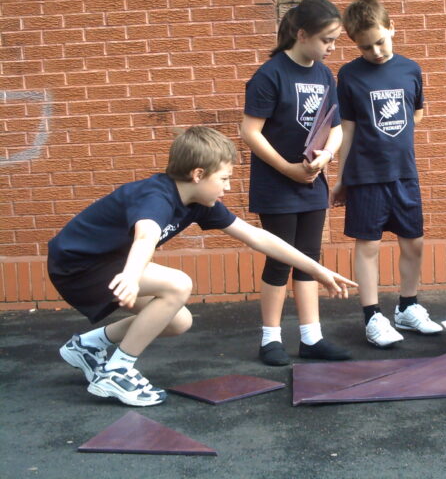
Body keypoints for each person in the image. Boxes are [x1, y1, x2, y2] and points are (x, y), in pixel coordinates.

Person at [50, 126, 355, 407]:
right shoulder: (156, 195)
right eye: (223, 178)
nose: (228, 186)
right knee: (178, 284)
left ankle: (88, 346)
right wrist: (131, 276)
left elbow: (257, 237)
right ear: (198, 174)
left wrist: (316, 269)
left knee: (177, 320)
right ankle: (115, 372)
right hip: (79, 266)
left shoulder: (199, 204)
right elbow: (146, 234)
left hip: (108, 264)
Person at [241, 0, 351, 366]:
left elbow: (335, 128)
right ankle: (270, 339)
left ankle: (311, 337)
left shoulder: (324, 74)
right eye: (327, 40)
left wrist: (327, 156)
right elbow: (250, 132)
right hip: (278, 186)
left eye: (335, 40)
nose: (331, 48)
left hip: (311, 183)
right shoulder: (270, 74)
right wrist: (287, 168)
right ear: (302, 34)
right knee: (279, 261)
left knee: (309, 259)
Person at [332, 0, 442, 348]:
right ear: (354, 45)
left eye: (380, 41)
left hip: (404, 174)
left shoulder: (411, 69)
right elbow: (346, 127)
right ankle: (372, 316)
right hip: (365, 175)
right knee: (369, 246)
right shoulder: (348, 75)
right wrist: (340, 177)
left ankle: (407, 307)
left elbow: (417, 113)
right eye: (365, 47)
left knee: (414, 242)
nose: (375, 51)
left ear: (392, 28)